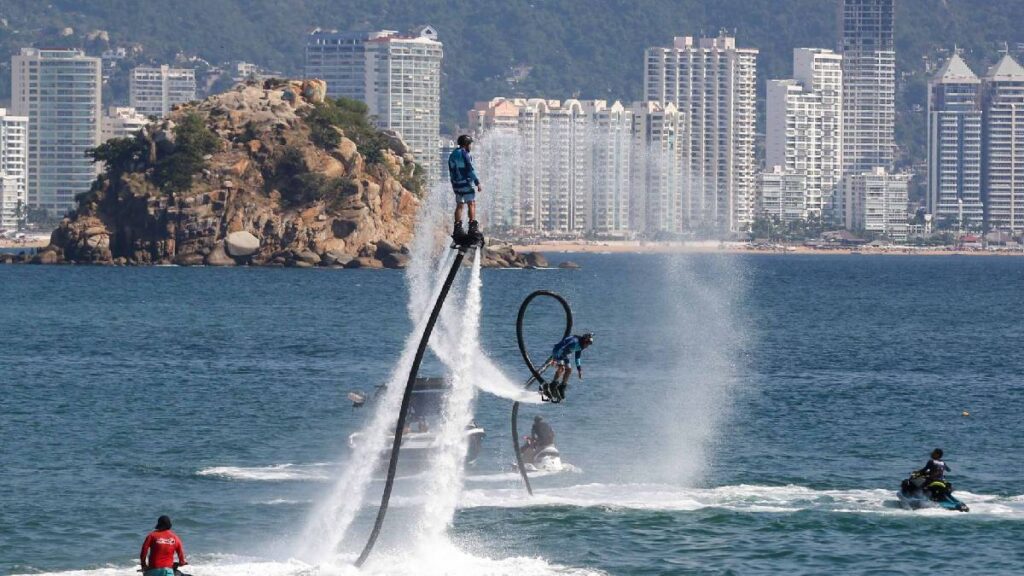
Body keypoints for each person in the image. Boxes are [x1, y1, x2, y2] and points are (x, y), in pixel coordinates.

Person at [447, 134, 482, 242]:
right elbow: (470, 170)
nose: (470, 146)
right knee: (471, 203)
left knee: (459, 205)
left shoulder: (452, 154)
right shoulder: (465, 154)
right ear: (466, 144)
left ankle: (457, 228)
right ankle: (472, 227)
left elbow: (451, 170)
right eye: (470, 144)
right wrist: (477, 182)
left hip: (456, 184)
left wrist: (454, 183)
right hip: (465, 183)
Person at [542, 333, 594, 402]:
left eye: (589, 344)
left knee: (569, 370)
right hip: (557, 351)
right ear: (585, 341)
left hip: (564, 355)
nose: (588, 346)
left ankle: (561, 387)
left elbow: (577, 358)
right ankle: (552, 385)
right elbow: (562, 348)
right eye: (588, 344)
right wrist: (554, 359)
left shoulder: (581, 346)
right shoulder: (574, 342)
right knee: (561, 368)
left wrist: (579, 370)